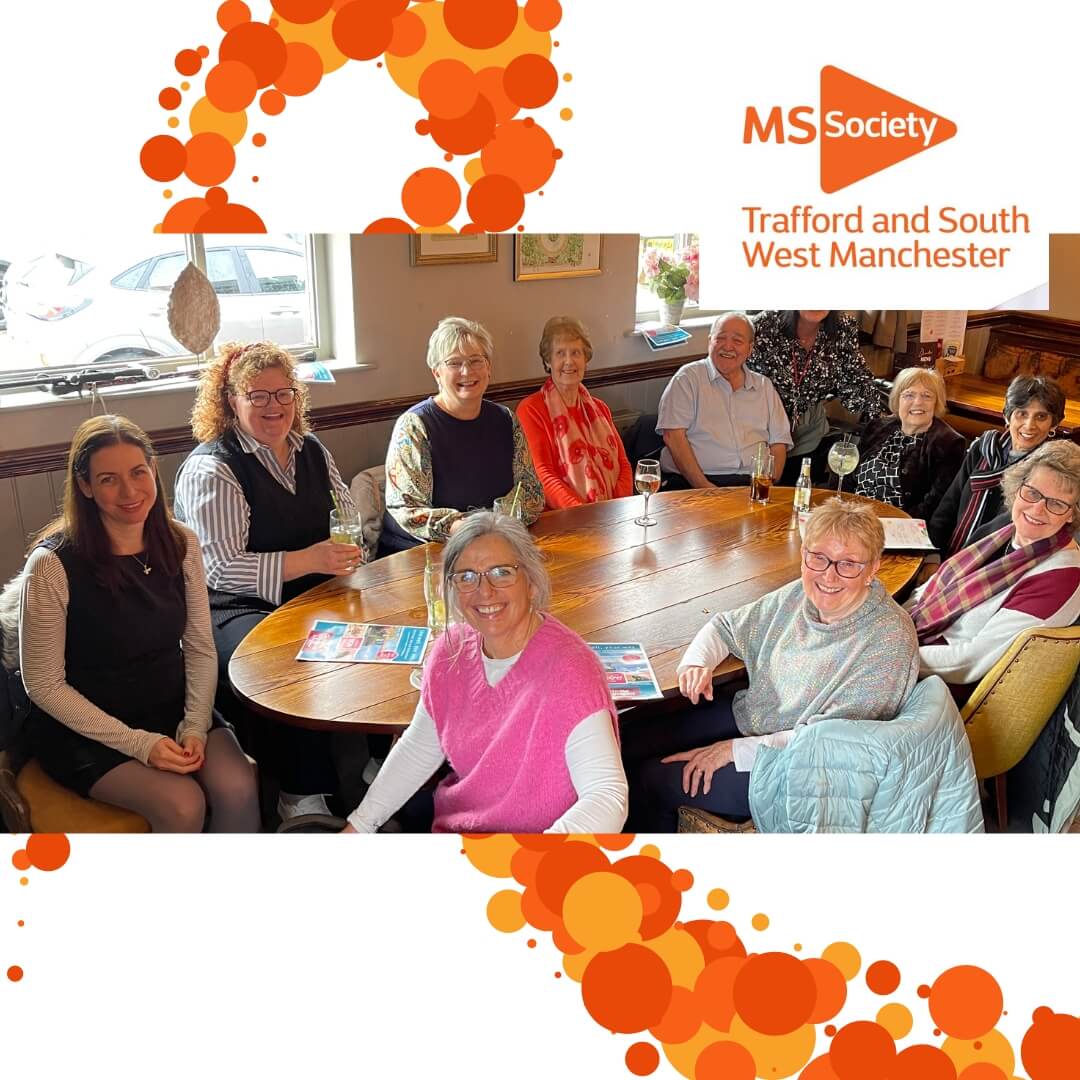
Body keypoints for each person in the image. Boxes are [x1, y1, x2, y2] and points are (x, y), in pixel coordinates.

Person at [18, 416, 259, 832]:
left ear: (153, 470)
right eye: (109, 479)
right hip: (87, 724)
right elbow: (43, 684)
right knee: (183, 803)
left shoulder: (182, 542)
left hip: (170, 704)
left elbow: (201, 646)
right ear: (86, 487)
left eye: (138, 472)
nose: (129, 492)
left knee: (237, 783)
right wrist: (141, 745)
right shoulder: (52, 564)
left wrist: (196, 724)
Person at [621, 500, 919, 831]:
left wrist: (733, 751)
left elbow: (829, 742)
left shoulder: (888, 638)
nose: (828, 576)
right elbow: (727, 626)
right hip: (759, 718)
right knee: (624, 740)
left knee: (653, 780)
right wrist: (696, 663)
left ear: (874, 567)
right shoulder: (800, 596)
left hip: (807, 773)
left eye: (848, 564)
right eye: (818, 558)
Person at [344, 513, 627, 833]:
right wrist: (359, 826)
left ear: (532, 583)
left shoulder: (571, 669)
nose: (485, 591)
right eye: (466, 577)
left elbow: (606, 795)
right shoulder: (449, 653)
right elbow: (418, 749)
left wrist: (539, 861)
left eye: (501, 573)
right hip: (462, 836)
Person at [174, 341, 361, 822]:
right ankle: (300, 794)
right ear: (230, 401)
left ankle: (374, 765)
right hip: (231, 607)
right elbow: (219, 568)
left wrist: (347, 552)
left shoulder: (312, 449)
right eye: (256, 396)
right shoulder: (213, 467)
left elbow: (346, 514)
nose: (273, 406)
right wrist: (311, 558)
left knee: (372, 639)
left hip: (313, 592)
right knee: (289, 657)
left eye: (284, 394)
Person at [909, 440, 1080, 687]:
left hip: (939, 682)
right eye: (1032, 493)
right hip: (913, 641)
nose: (1037, 509)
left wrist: (888, 653)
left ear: (1073, 513)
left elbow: (968, 663)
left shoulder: (1062, 577)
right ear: (1017, 487)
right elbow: (931, 589)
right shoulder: (1004, 529)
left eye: (1056, 503)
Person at [381, 317, 544, 552]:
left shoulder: (506, 420)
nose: (467, 371)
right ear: (437, 373)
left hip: (493, 543)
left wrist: (492, 526)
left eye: (476, 360)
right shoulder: (415, 425)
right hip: (424, 551)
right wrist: (468, 528)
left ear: (488, 367)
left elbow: (531, 490)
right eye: (454, 363)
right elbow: (408, 509)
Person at [928, 375, 1067, 555]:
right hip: (948, 553)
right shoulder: (983, 448)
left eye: (1041, 416)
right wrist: (932, 555)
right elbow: (948, 506)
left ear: (1053, 423)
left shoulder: (1050, 471)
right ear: (1007, 416)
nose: (1029, 425)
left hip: (996, 567)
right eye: (1022, 413)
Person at [656, 312, 791, 488]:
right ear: (709, 341)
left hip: (754, 483)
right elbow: (673, 437)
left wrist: (768, 484)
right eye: (720, 338)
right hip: (695, 483)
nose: (728, 347)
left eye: (737, 341)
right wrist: (705, 488)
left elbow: (779, 443)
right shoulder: (688, 378)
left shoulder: (764, 386)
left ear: (750, 349)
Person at [516, 316, 633, 508]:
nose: (569, 361)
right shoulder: (530, 410)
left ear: (585, 360)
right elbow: (543, 475)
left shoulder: (600, 408)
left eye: (576, 353)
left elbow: (624, 465)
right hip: (562, 520)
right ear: (548, 361)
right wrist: (584, 513)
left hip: (613, 515)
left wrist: (616, 509)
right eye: (560, 353)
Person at [749, 310, 884, 471]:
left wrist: (883, 426)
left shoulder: (843, 327)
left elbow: (858, 381)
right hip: (762, 434)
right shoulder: (763, 326)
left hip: (809, 435)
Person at [853, 366, 966, 519]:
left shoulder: (948, 443)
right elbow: (848, 474)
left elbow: (935, 505)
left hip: (899, 525)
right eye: (909, 395)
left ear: (936, 403)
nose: (918, 402)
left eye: (927, 396)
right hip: (854, 514)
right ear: (898, 400)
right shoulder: (877, 426)